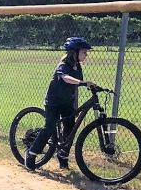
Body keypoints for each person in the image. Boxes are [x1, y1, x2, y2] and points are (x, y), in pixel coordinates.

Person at [26, 37, 93, 171]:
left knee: (70, 129)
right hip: (54, 103)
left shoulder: (77, 66)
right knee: (50, 127)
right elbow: (66, 78)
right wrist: (82, 82)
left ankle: (63, 157)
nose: (86, 55)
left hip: (67, 102)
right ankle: (31, 154)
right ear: (75, 52)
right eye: (84, 52)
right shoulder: (63, 65)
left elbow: (75, 82)